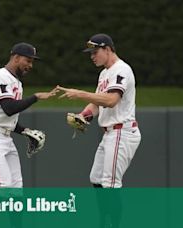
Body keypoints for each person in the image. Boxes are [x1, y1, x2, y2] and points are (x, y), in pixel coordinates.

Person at [57, 33, 141, 228]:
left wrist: (79, 93)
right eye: (90, 53)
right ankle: (104, 221)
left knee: (110, 184)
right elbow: (97, 102)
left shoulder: (122, 70)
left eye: (95, 52)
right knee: (96, 178)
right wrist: (84, 115)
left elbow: (111, 100)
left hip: (122, 131)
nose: (92, 56)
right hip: (111, 133)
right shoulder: (105, 73)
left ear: (108, 49)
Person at [0, 42, 56, 228]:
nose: (30, 65)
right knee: (3, 184)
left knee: (16, 189)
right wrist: (35, 97)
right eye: (28, 60)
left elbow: (9, 119)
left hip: (5, 136)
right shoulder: (1, 76)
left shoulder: (16, 82)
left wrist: (25, 131)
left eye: (32, 61)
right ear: (15, 57)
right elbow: (9, 109)